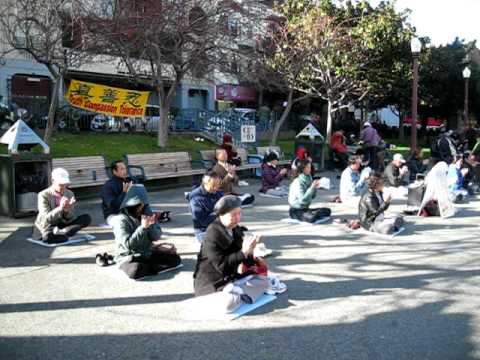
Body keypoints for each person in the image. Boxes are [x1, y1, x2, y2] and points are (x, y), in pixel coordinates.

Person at [193, 195, 269, 312]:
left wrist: (251, 252)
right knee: (228, 304)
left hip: (230, 279)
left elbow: (245, 260)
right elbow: (222, 266)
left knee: (264, 280)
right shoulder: (212, 234)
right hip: (212, 283)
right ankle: (239, 294)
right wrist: (244, 252)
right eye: (233, 214)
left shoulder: (235, 229)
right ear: (221, 214)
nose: (237, 218)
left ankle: (239, 293)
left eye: (239, 213)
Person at [111, 185, 181, 280]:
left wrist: (151, 225)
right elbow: (128, 245)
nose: (141, 208)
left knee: (175, 259)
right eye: (139, 205)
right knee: (135, 270)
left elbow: (156, 236)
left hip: (146, 253)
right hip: (129, 256)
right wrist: (143, 228)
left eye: (143, 205)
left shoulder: (146, 211)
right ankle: (151, 267)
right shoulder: (121, 220)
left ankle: (149, 267)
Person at [33, 168, 92, 243]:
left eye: (65, 184)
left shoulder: (69, 193)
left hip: (62, 224)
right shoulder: (43, 195)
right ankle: (64, 233)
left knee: (86, 218)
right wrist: (60, 208)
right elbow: (47, 218)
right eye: (60, 184)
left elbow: (70, 218)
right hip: (47, 226)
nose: (63, 188)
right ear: (53, 181)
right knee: (47, 237)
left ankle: (62, 232)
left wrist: (67, 210)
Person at [187, 171, 224, 243]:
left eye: (218, 185)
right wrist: (217, 212)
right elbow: (202, 222)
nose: (216, 188)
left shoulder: (218, 192)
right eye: (213, 185)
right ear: (205, 184)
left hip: (220, 226)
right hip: (203, 230)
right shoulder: (195, 197)